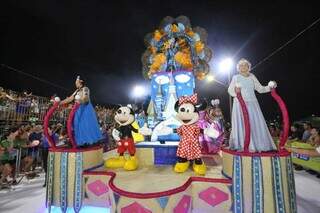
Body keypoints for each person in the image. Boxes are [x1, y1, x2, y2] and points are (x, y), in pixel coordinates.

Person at [228, 58, 277, 152]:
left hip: (253, 103)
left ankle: (258, 145)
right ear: (238, 68)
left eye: (245, 65)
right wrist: (238, 96)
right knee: (243, 124)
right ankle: (242, 145)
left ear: (248, 67)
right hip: (240, 104)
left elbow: (260, 89)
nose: (243, 67)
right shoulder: (235, 77)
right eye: (241, 65)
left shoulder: (252, 76)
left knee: (254, 123)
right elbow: (230, 90)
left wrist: (270, 87)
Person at [60, 76, 102, 147]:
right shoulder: (76, 91)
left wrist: (80, 101)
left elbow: (86, 98)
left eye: (77, 81)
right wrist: (59, 102)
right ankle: (80, 142)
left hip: (85, 109)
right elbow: (70, 99)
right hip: (78, 109)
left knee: (86, 125)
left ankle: (88, 142)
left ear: (81, 82)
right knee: (78, 125)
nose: (75, 83)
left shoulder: (85, 89)